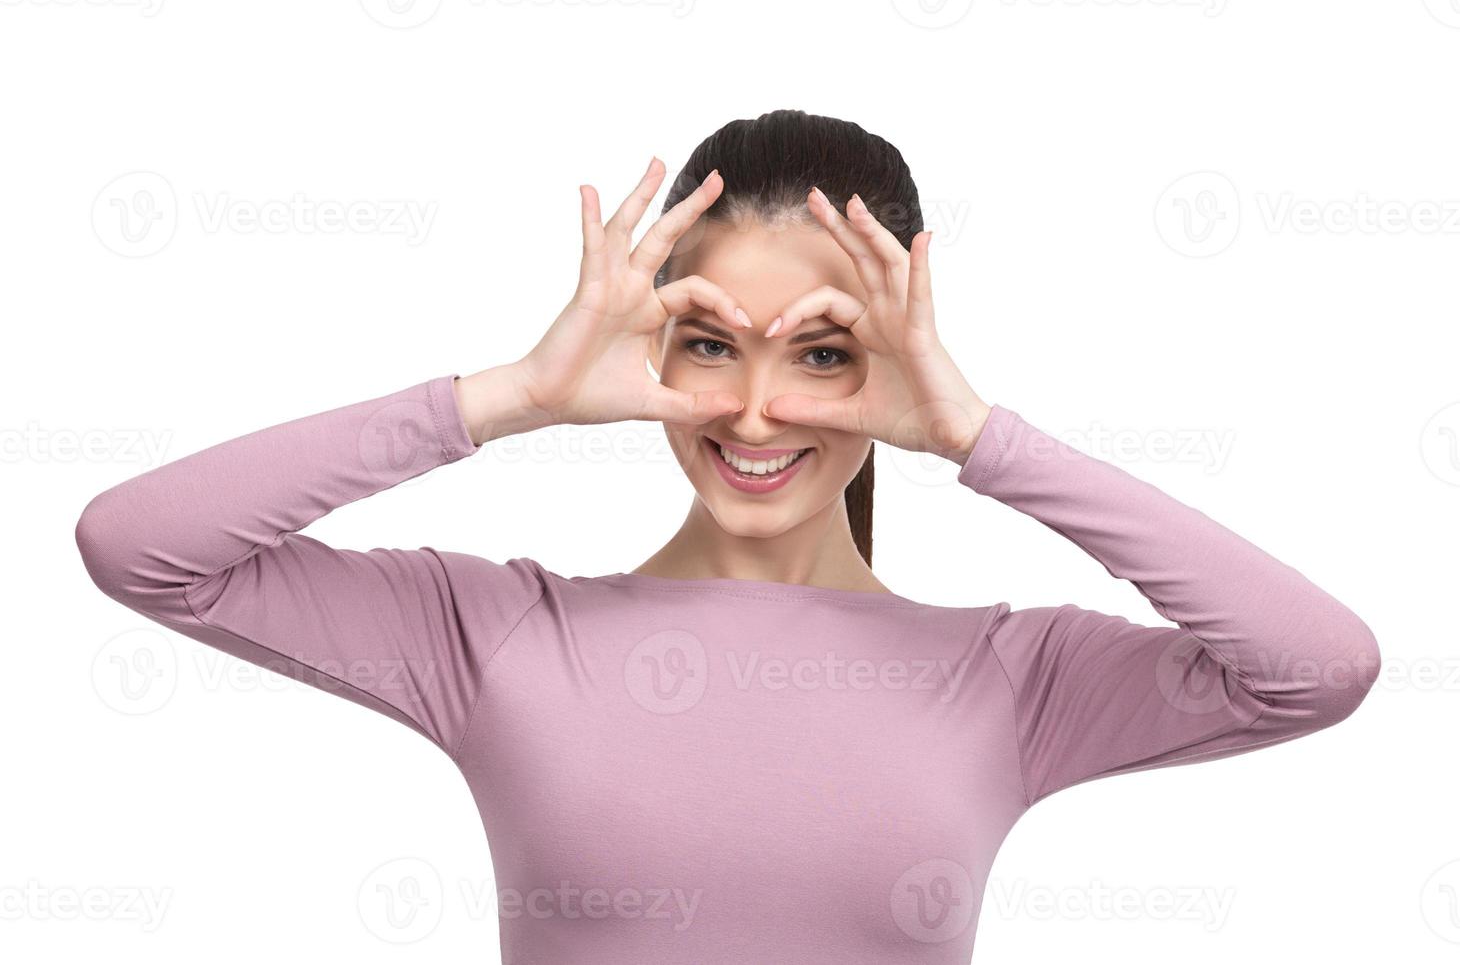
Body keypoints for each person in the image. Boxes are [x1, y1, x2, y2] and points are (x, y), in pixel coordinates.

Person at [75, 109, 1380, 963]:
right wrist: (511, 397)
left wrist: (978, 434)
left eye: (825, 354)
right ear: (653, 347)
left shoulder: (1012, 678)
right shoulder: (494, 636)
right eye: (709, 345)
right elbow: (142, 546)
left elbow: (1317, 664)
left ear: (898, 358)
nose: (757, 409)